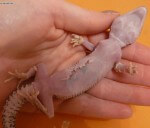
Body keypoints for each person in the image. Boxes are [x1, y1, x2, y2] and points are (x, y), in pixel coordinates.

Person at [0, 0, 150, 119]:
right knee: (49, 112)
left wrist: (126, 69)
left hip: (58, 86)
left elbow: (116, 65)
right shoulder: (109, 46)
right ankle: (28, 84)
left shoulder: (113, 50)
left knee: (41, 72)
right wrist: (81, 42)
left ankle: (27, 84)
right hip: (58, 86)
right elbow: (98, 53)